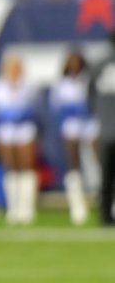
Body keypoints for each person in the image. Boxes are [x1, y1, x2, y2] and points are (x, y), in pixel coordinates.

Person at [0, 54, 39, 225]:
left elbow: (33, 109)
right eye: (11, 68)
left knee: (26, 167)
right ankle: (13, 207)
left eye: (17, 68)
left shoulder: (29, 87)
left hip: (24, 130)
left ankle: (27, 208)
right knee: (10, 168)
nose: (14, 72)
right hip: (7, 131)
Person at [49, 49, 96, 225]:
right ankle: (77, 205)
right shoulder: (61, 85)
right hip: (71, 125)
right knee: (73, 163)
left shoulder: (89, 80)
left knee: (100, 159)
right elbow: (56, 108)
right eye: (71, 61)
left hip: (91, 124)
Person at [88, 33, 115, 227]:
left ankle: (105, 214)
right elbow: (90, 96)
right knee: (106, 175)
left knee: (106, 175)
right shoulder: (99, 66)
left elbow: (89, 97)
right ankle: (106, 214)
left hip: (106, 130)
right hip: (107, 129)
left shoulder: (98, 66)